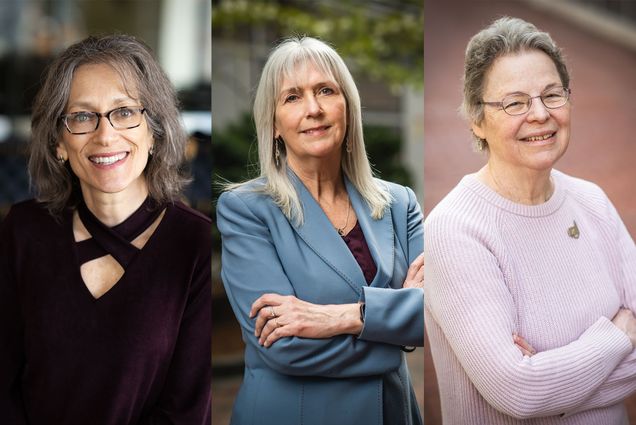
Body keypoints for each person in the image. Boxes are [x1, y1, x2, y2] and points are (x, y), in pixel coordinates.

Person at [424, 16, 636, 424]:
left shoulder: (592, 201)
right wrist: (618, 337)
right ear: (476, 119)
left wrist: (553, 381)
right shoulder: (455, 231)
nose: (539, 114)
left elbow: (533, 394)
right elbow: (520, 392)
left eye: (552, 95)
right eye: (515, 102)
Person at [0, 35, 211, 424]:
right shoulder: (23, 232)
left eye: (125, 112)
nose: (105, 135)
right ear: (59, 142)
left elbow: (186, 411)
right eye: (82, 116)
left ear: (154, 131)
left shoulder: (193, 244)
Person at [216, 36, 424, 425]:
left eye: (325, 90)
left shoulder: (400, 204)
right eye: (292, 97)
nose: (313, 109)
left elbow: (436, 314)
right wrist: (395, 331)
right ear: (274, 123)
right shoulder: (246, 210)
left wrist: (343, 318)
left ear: (348, 107)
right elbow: (285, 347)